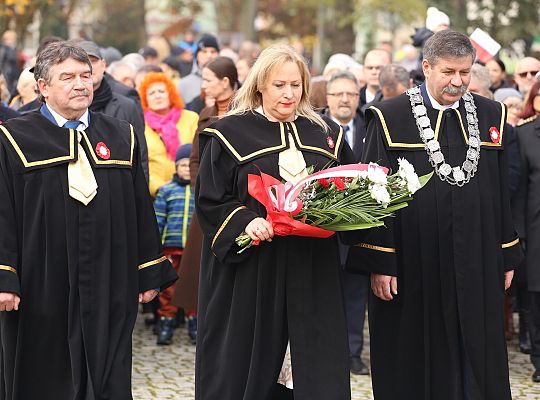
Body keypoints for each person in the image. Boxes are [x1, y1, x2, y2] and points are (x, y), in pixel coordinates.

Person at [0, 41, 177, 399]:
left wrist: (147, 271)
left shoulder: (120, 135)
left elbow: (139, 208)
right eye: (67, 77)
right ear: (43, 86)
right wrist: (6, 276)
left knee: (107, 372)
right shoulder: (14, 139)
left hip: (109, 279)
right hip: (42, 281)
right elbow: (2, 211)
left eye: (86, 75)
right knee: (45, 374)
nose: (81, 84)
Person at [353, 30, 522, 400]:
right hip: (414, 262)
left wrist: (506, 253)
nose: (458, 82)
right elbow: (373, 195)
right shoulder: (388, 117)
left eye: (465, 72)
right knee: (414, 352)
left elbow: (498, 194)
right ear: (426, 67)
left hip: (475, 258)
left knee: (476, 349)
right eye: (449, 72)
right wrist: (381, 261)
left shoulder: (491, 114)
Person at [195, 44, 354, 400]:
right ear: (260, 85)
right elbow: (209, 198)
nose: (289, 94)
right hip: (254, 270)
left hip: (312, 267)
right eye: (279, 85)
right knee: (249, 364)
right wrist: (245, 221)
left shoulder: (325, 134)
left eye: (296, 85)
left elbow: (349, 192)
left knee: (313, 363)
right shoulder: (230, 133)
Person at [171, 56, 240, 344]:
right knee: (203, 266)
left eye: (209, 79)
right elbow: (196, 156)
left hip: (237, 200)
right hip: (208, 199)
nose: (204, 85)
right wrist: (203, 186)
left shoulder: (244, 112)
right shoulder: (205, 112)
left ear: (225, 82)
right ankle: (204, 322)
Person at [323, 70, 369, 375]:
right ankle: (325, 349)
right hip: (322, 228)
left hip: (360, 226)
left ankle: (353, 352)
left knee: (355, 293)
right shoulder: (314, 127)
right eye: (338, 93)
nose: (344, 99)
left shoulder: (371, 127)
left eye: (350, 94)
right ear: (326, 98)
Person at [74, 40, 149, 182]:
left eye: (93, 61)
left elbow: (140, 155)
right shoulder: (66, 104)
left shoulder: (127, 101)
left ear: (103, 65)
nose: (89, 67)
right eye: (83, 62)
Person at [154, 144, 195, 345]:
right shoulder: (166, 191)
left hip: (192, 251)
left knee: (193, 287)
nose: (187, 168)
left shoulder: (200, 190)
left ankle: (194, 324)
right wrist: (156, 245)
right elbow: (158, 219)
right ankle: (166, 324)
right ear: (176, 166)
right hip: (171, 248)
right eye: (183, 165)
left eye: (190, 165)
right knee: (168, 289)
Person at [513, 80, 540, 382]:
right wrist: (519, 232)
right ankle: (539, 358)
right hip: (535, 228)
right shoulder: (525, 135)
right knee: (536, 296)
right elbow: (519, 189)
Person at [139, 72, 198, 197]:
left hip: (190, 192)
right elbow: (142, 163)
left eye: (161, 91)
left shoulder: (191, 118)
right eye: (151, 93)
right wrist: (159, 187)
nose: (157, 96)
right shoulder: (141, 125)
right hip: (157, 195)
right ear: (145, 99)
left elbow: (199, 155)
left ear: (170, 94)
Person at [177, 33, 220, 106]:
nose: (209, 55)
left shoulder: (226, 81)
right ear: (197, 55)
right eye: (204, 51)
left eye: (213, 51)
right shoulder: (183, 84)